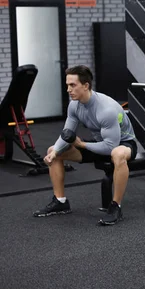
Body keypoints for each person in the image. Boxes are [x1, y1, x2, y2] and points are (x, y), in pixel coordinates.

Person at [33, 65, 138, 226]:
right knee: (54, 150)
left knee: (117, 154)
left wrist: (82, 144)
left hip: (123, 144)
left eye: (72, 85)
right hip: (99, 142)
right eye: (67, 85)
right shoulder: (74, 105)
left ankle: (116, 206)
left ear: (86, 85)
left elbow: (110, 147)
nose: (68, 89)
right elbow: (67, 133)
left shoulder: (106, 109)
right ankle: (60, 201)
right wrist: (54, 153)